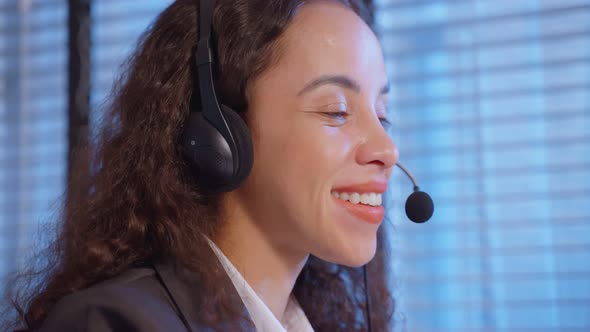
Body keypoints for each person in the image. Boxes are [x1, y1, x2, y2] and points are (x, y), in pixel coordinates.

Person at [7, 0, 398, 330]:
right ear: (222, 134)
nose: (386, 149)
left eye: (381, 115)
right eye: (336, 111)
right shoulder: (114, 322)